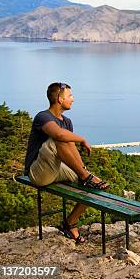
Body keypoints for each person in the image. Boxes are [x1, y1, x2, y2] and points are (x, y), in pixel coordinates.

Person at [24, 82, 109, 244]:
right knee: (60, 137)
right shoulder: (43, 117)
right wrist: (82, 139)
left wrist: (83, 171)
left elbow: (69, 149)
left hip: (55, 168)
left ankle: (69, 223)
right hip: (38, 173)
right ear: (59, 99)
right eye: (70, 96)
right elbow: (60, 136)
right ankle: (85, 176)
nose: (73, 99)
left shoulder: (67, 121)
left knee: (92, 186)